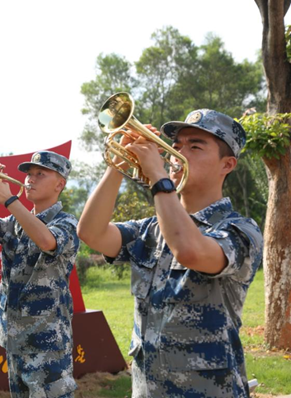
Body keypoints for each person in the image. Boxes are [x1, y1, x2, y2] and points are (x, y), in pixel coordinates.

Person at [77, 109, 263, 397]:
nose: (178, 153)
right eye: (176, 146)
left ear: (227, 164)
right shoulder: (151, 228)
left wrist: (158, 176)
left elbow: (189, 250)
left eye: (195, 146)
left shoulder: (240, 230)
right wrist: (117, 166)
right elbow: (91, 233)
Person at [0, 151, 79, 398]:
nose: (30, 179)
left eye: (40, 174)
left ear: (60, 183)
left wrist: (9, 199)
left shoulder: (66, 223)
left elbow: (47, 241)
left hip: (47, 345)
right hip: (15, 340)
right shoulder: (13, 222)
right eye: (28, 174)